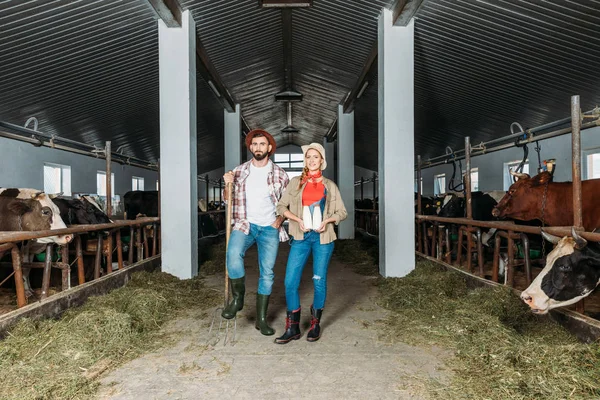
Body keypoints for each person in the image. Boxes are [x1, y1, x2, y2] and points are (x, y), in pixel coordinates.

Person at [274, 143, 347, 343]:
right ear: (305, 160)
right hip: (300, 237)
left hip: (323, 238)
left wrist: (327, 221)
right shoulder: (295, 182)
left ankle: (315, 324)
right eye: (308, 157)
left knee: (318, 280)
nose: (312, 160)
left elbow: (342, 212)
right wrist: (296, 220)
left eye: (316, 157)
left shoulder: (330, 186)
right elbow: (281, 206)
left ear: (322, 161)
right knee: (290, 281)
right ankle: (293, 327)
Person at [221, 129, 289, 336]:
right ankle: (238, 299)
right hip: (245, 224)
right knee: (232, 255)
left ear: (269, 148)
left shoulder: (280, 174)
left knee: (267, 273)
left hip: (269, 227)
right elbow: (227, 199)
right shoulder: (239, 171)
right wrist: (227, 184)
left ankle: (261, 320)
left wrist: (279, 220)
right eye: (254, 144)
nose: (258, 147)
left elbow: (288, 203)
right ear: (250, 147)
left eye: (262, 144)